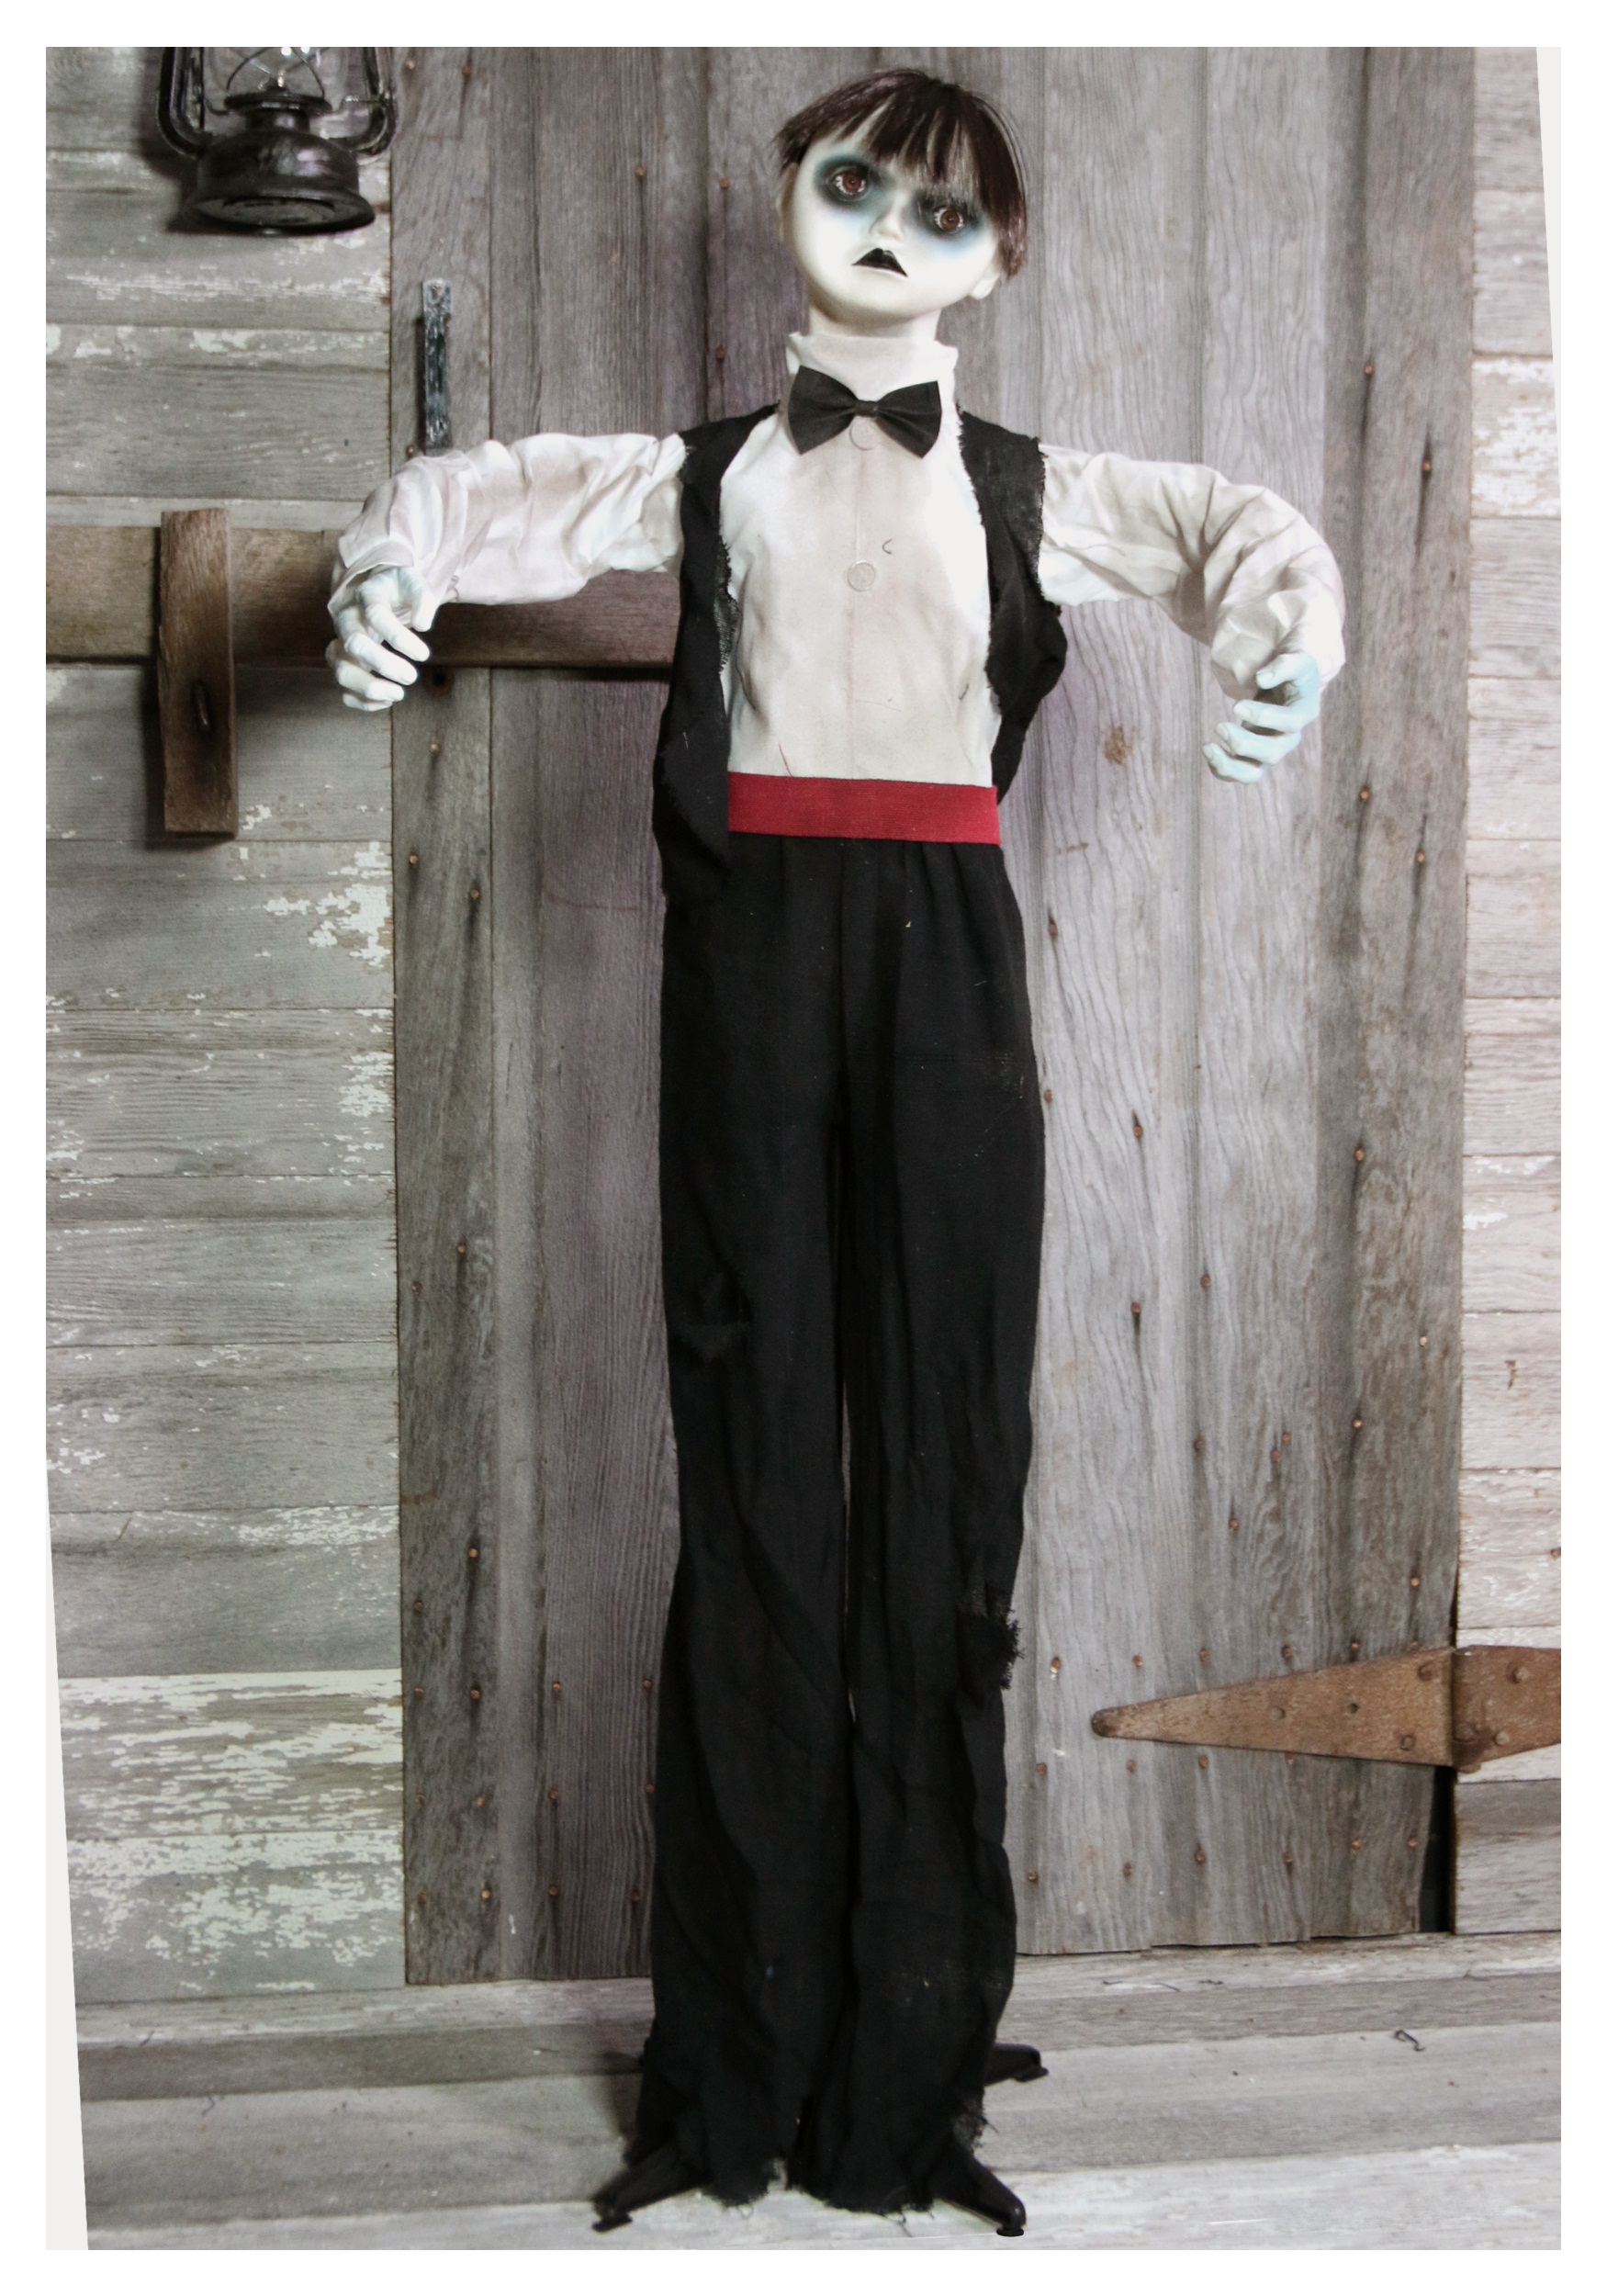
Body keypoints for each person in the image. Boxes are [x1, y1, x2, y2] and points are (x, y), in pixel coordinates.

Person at [328, 67, 1345, 2239]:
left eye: (939, 209)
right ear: (788, 192)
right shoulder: (703, 474)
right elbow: (483, 498)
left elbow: (1231, 530)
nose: (889, 226)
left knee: (947, 1478)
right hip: (751, 964)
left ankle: (909, 2050)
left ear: (997, 257)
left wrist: (1293, 633)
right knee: (755, 1478)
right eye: (855, 181)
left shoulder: (1028, 485)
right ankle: (736, 2061)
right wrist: (385, 563)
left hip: (946, 963)